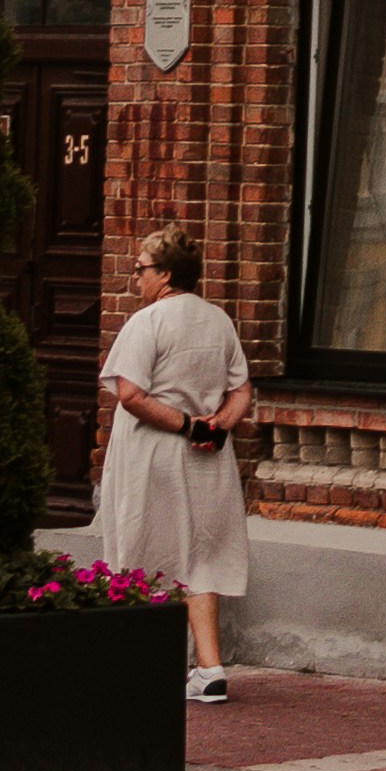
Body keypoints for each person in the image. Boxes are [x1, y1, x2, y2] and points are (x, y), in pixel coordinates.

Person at [89, 223, 252, 703]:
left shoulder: (148, 322)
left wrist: (186, 426)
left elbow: (130, 394)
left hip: (153, 453)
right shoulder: (218, 321)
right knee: (199, 555)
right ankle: (210, 667)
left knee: (140, 545)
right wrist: (217, 425)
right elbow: (241, 389)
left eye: (140, 269)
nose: (134, 278)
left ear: (165, 274)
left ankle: (136, 663)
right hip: (207, 459)